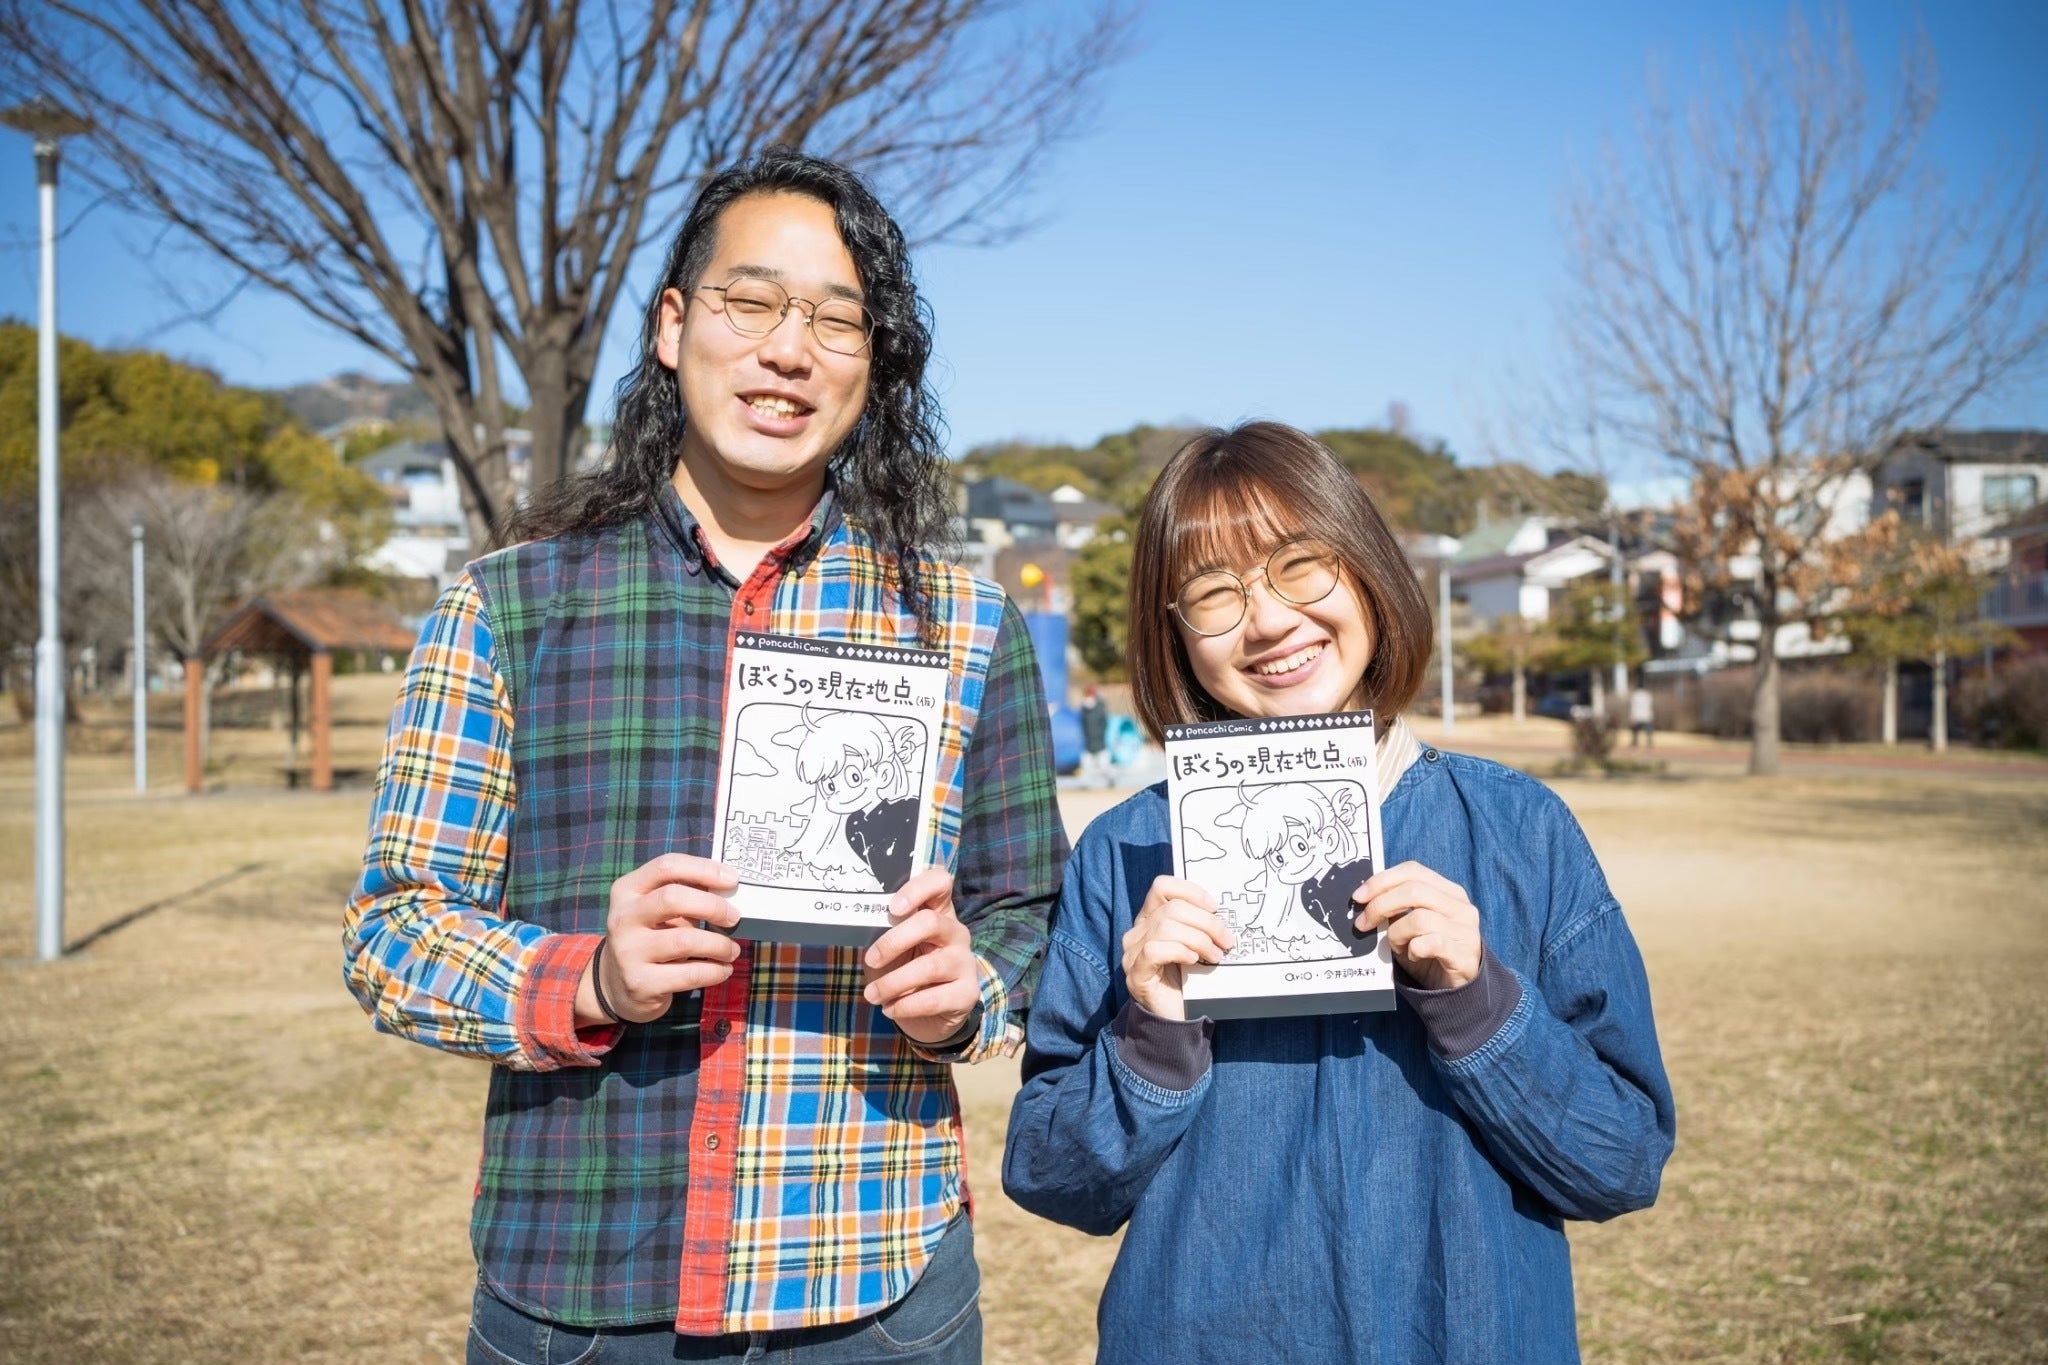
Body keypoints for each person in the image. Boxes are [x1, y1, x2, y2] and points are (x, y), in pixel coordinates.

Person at [344, 149, 1066, 1364]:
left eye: (836, 322)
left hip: (876, 1286)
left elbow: (1028, 915)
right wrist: (586, 980)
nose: (788, 351)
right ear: (674, 327)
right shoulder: (506, 607)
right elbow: (392, 931)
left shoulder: (962, 623)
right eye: (751, 302)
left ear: (873, 368)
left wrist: (969, 996)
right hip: (577, 1291)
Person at [1003, 422, 1674, 1364]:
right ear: (1174, 635)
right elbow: (1049, 1175)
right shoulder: (1125, 853)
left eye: (1300, 566)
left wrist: (1480, 1002)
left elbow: (1622, 1162)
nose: (1270, 621)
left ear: (1365, 570)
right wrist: (1150, 1030)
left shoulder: (1520, 827)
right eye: (1214, 593)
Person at [1078, 684, 1110, 787]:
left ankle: (1110, 782)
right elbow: (1083, 725)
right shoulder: (1083, 709)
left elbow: (1104, 724)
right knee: (1086, 766)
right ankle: (1084, 784)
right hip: (1088, 744)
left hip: (1100, 743)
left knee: (1104, 766)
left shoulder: (1100, 706)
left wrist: (1099, 736)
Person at [1629, 679, 1656, 747]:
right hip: (1646, 715)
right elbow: (1650, 705)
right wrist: (1651, 715)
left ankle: (1635, 741)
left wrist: (1632, 716)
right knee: (1648, 729)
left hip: (1637, 715)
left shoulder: (1635, 695)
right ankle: (1649, 741)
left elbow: (1633, 706)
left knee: (1635, 730)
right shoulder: (1647, 694)